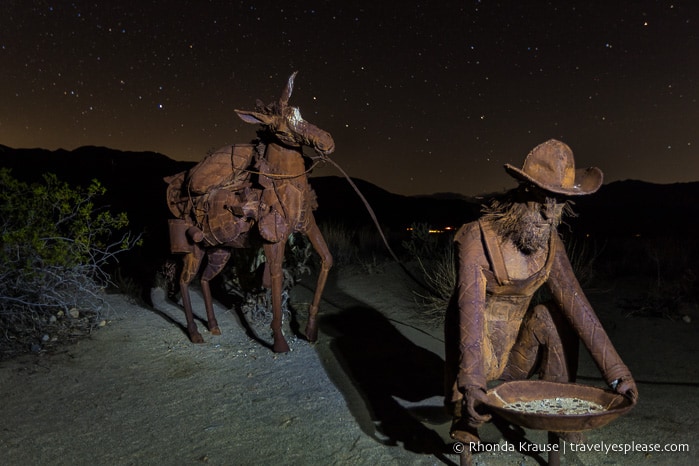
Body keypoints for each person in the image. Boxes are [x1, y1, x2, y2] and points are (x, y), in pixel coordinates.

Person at [444, 139, 638, 444]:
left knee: (554, 314)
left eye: (559, 201)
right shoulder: (477, 237)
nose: (550, 212)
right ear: (524, 191)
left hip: (515, 360)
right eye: (543, 198)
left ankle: (559, 415)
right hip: (474, 353)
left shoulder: (551, 245)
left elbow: (578, 308)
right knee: (465, 313)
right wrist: (470, 383)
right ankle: (464, 414)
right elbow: (469, 311)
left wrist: (618, 375)